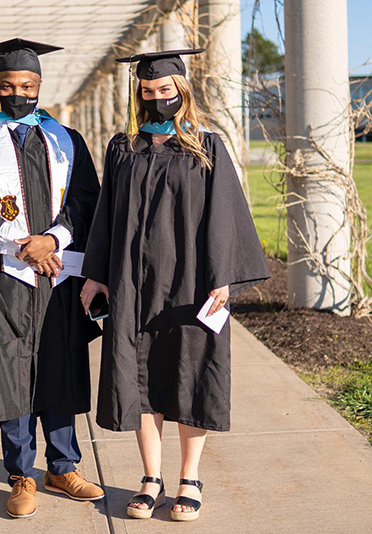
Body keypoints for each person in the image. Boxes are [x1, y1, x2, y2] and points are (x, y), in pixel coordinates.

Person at [80, 49, 270, 522]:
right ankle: (151, 477)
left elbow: (223, 216)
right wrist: (95, 274)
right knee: (140, 378)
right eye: (148, 91)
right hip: (133, 283)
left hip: (189, 284)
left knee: (189, 374)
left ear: (182, 91)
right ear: (139, 95)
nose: (157, 98)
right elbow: (107, 216)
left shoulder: (206, 146)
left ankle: (189, 478)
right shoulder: (123, 147)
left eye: (165, 90)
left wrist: (221, 276)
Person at [0, 38, 104, 519]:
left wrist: (52, 240)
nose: (19, 93)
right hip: (3, 276)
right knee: (10, 369)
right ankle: (21, 475)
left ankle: (63, 465)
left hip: (57, 274)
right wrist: (18, 245)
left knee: (58, 364)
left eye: (28, 85)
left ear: (40, 85)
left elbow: (87, 201)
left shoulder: (66, 140)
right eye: (10, 85)